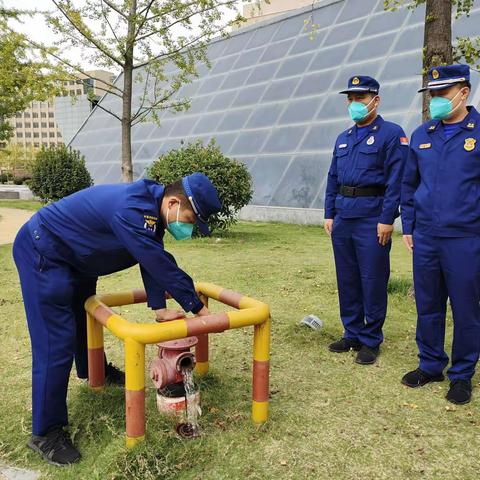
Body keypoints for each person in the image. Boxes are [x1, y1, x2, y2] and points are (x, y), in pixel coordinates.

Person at [12, 172, 221, 465]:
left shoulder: (152, 211)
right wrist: (198, 309)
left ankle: (93, 369)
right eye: (189, 219)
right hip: (44, 252)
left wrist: (159, 308)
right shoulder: (133, 208)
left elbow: (150, 254)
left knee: (84, 319)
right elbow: (156, 260)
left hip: (77, 260)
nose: (188, 228)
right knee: (55, 342)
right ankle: (46, 433)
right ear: (173, 202)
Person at [401, 64, 480, 405]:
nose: (435, 100)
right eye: (432, 94)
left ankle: (462, 375)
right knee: (429, 304)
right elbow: (409, 184)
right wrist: (409, 224)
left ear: (464, 92)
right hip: (427, 237)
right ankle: (430, 364)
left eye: (442, 93)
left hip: (466, 237)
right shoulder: (422, 135)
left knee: (465, 309)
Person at [324, 75, 408, 365]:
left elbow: (396, 182)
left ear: (376, 100)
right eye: (350, 99)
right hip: (344, 217)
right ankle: (352, 332)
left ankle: (371, 339)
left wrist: (388, 219)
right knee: (347, 278)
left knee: (372, 279)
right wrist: (329, 213)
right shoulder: (343, 138)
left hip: (372, 218)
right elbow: (332, 177)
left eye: (360, 98)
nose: (354, 104)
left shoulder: (391, 134)